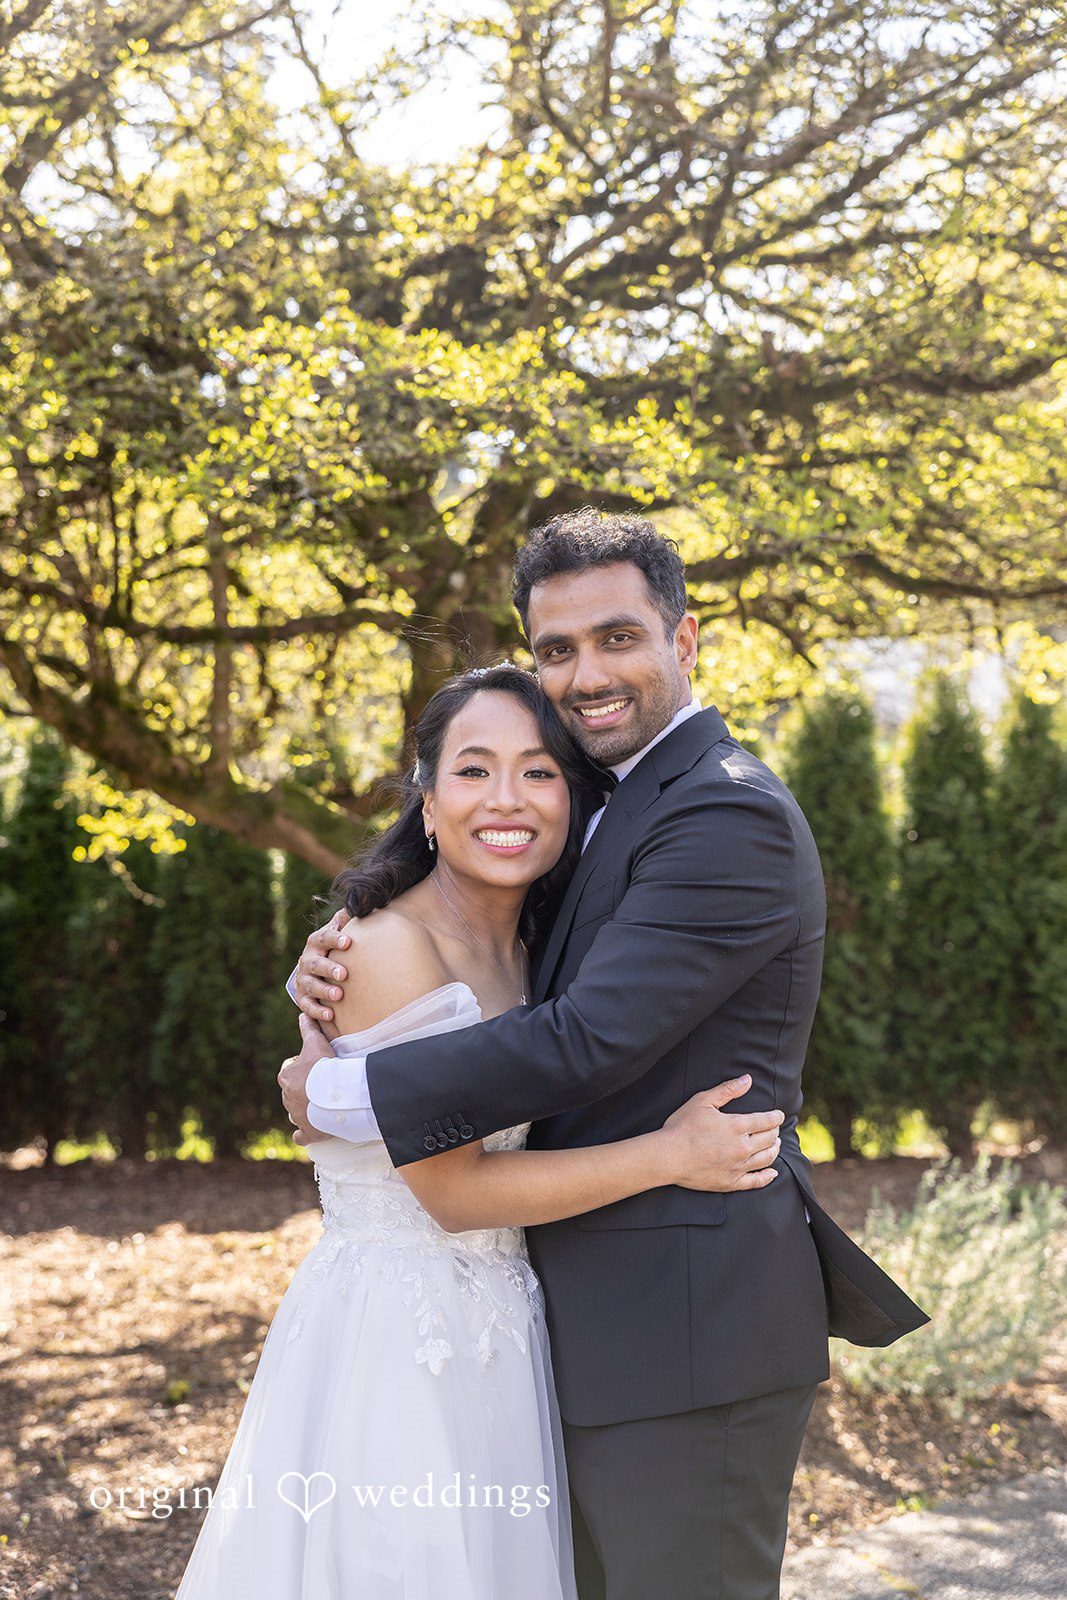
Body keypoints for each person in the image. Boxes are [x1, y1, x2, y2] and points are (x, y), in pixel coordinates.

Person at [282, 508, 929, 1600]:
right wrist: (339, 982)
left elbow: (588, 1038)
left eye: (617, 638)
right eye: (557, 649)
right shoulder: (603, 807)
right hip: (573, 1332)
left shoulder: (723, 816)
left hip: (684, 1335)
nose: (586, 676)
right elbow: (481, 972)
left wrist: (349, 1091)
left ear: (684, 639)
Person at [175, 665, 783, 1600]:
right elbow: (453, 1193)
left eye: (538, 771)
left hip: (506, 1335)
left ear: (573, 801)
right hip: (398, 1348)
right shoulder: (386, 950)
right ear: (427, 804)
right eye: (472, 770)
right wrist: (670, 1155)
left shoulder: (544, 954)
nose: (507, 798)